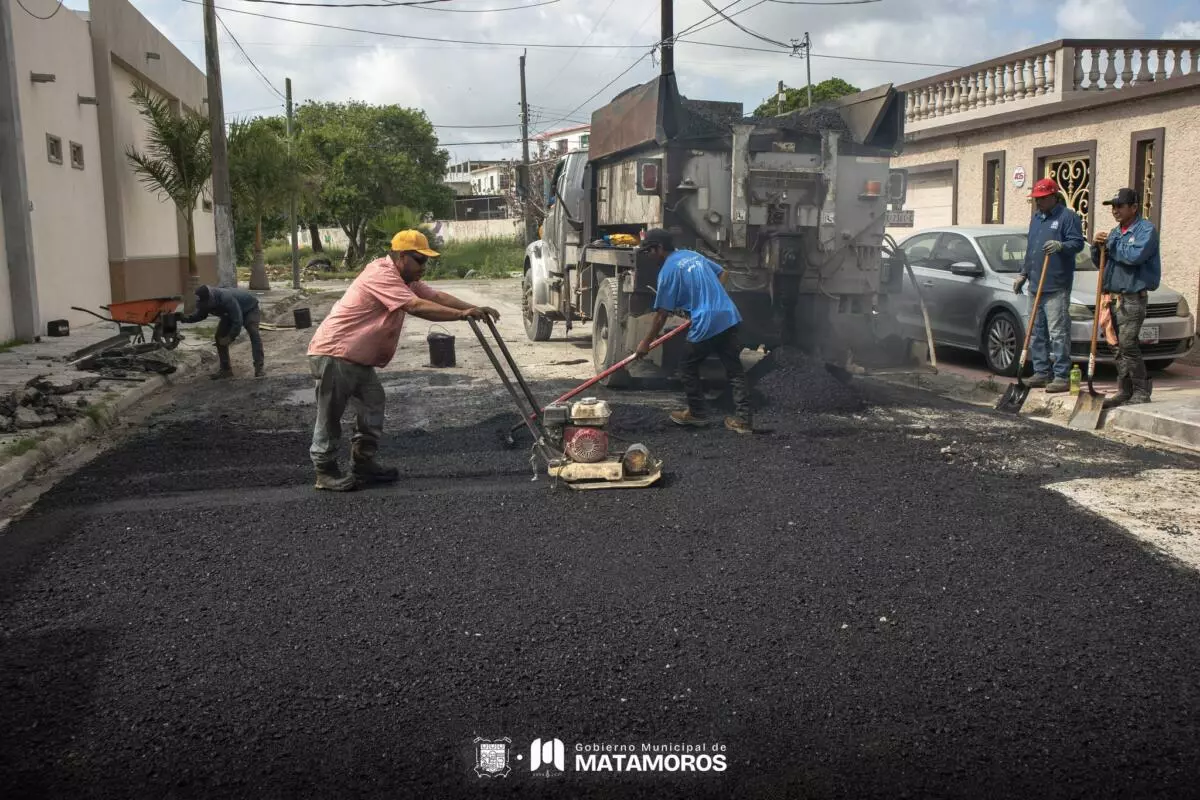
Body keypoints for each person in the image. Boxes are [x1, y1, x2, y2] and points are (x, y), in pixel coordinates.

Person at [306, 230, 499, 491]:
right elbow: (416, 307)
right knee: (330, 415)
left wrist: (473, 309)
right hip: (334, 354)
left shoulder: (404, 279)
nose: (424, 267)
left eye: (426, 261)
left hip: (356, 359)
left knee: (372, 405)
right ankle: (324, 471)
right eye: (420, 260)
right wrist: (462, 314)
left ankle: (363, 464)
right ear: (401, 256)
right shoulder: (381, 274)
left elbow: (436, 297)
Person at [634, 228, 751, 434]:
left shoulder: (667, 272)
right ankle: (743, 420)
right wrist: (711, 298)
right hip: (728, 315)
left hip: (706, 320)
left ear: (659, 248)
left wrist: (645, 343)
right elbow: (723, 273)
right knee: (734, 370)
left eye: (649, 251)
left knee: (687, 367)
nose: (649, 256)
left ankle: (697, 413)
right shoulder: (693, 255)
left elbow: (661, 315)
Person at [1013, 178, 1085, 393]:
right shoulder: (1036, 218)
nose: (1038, 203)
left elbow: (1078, 243)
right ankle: (1041, 372)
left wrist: (1061, 245)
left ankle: (1062, 375)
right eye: (1036, 199)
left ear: (1054, 196)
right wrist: (1023, 274)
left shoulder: (1067, 217)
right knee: (1036, 331)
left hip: (1056, 285)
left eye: (1042, 199)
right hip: (1035, 284)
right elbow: (1031, 250)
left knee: (1058, 332)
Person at [1092, 187, 1161, 408]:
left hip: (1132, 298)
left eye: (1119, 206)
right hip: (1112, 297)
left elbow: (1134, 256)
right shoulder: (1114, 233)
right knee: (1116, 345)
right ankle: (1125, 389)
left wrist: (1111, 245)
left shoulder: (1145, 230)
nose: (1115, 211)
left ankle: (1141, 390)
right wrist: (1097, 246)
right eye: (1112, 207)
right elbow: (1101, 263)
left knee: (1128, 343)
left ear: (1133, 207)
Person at [179, 284, 265, 379]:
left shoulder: (225, 297)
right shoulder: (203, 301)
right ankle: (226, 370)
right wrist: (184, 318)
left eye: (206, 303)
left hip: (249, 309)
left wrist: (230, 337)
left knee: (254, 333)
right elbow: (200, 316)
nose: (205, 306)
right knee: (219, 337)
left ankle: (259, 368)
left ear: (211, 298)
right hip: (228, 314)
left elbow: (238, 320)